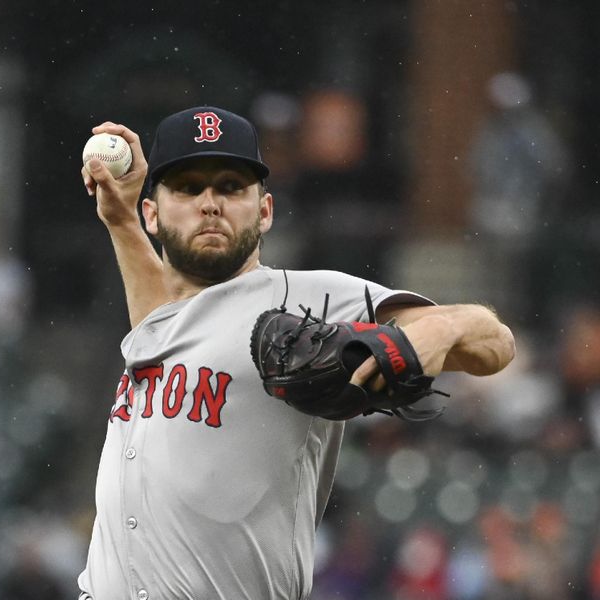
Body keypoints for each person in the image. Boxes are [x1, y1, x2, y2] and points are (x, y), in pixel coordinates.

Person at [78, 106, 516, 600]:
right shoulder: (160, 325)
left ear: (264, 211)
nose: (210, 203)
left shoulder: (306, 298)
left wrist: (444, 325)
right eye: (187, 187)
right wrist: (120, 220)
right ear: (152, 214)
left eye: (230, 186)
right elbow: (165, 322)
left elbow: (495, 344)